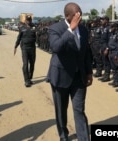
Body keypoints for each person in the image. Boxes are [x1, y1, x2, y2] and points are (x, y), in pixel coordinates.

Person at [46, 2, 93, 141]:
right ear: (67, 16)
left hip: (79, 77)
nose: (79, 17)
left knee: (79, 110)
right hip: (60, 76)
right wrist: (70, 30)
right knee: (61, 111)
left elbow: (86, 53)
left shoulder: (84, 30)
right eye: (76, 15)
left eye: (80, 14)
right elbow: (56, 47)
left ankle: (84, 138)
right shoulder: (55, 28)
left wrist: (89, 72)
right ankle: (63, 135)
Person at [14, 15, 37, 87]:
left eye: (30, 20)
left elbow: (37, 37)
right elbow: (19, 38)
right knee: (25, 64)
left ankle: (29, 79)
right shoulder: (22, 28)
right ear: (25, 20)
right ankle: (26, 80)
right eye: (27, 20)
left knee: (32, 64)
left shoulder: (34, 27)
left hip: (32, 48)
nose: (29, 21)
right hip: (24, 48)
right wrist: (15, 46)